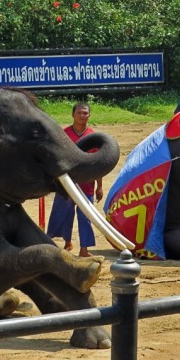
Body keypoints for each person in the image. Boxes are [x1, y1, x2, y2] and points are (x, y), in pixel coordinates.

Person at [47, 102, 103, 257]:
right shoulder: (63, 135)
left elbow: (98, 163)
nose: (82, 116)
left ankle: (84, 249)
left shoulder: (94, 137)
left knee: (85, 218)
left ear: (89, 115)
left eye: (85, 113)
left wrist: (99, 186)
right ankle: (66, 242)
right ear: (73, 115)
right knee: (64, 213)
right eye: (79, 113)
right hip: (66, 184)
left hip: (86, 184)